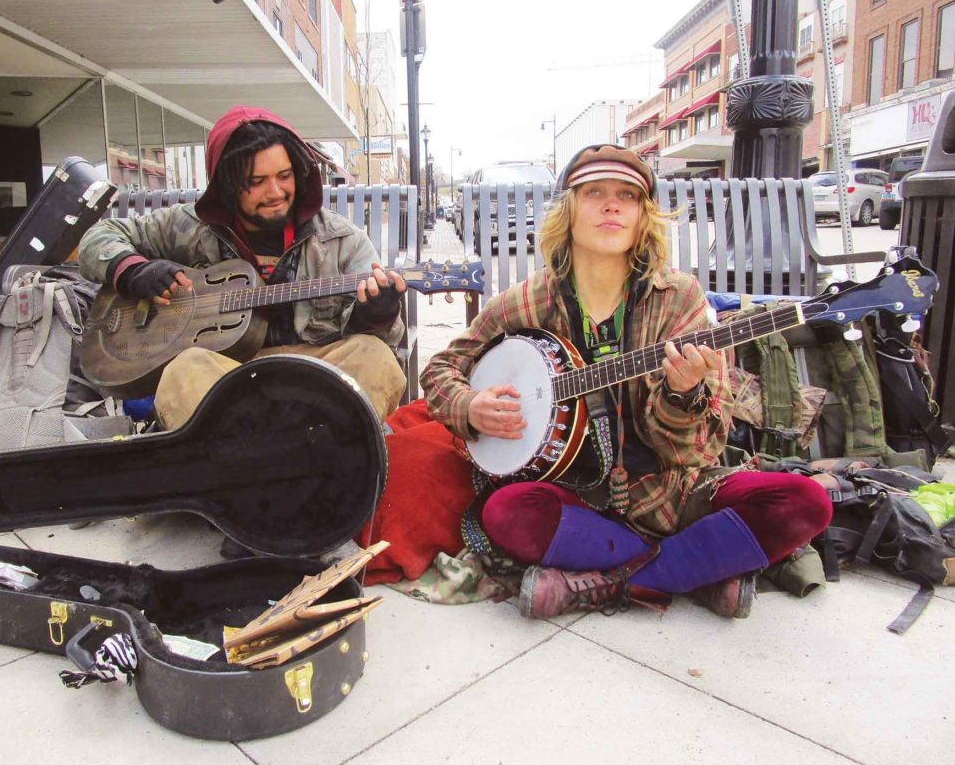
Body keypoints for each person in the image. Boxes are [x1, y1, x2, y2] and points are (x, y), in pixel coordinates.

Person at [421, 144, 832, 619]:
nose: (612, 205)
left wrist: (682, 394)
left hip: (675, 492)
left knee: (806, 503)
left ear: (643, 216)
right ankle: (694, 570)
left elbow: (699, 451)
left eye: (628, 196)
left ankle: (608, 582)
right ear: (568, 210)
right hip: (578, 497)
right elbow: (441, 370)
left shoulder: (680, 298)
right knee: (505, 512)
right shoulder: (528, 301)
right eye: (594, 192)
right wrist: (470, 406)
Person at [78, 105, 406, 426]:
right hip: (224, 379)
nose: (275, 192)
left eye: (284, 176)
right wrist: (132, 270)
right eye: (256, 181)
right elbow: (99, 235)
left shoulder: (342, 241)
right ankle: (287, 448)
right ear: (227, 185)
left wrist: (377, 313)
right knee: (183, 371)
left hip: (315, 377)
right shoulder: (189, 227)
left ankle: (263, 448)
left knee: (376, 358)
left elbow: (379, 340)